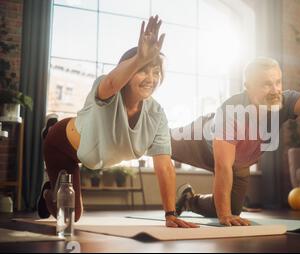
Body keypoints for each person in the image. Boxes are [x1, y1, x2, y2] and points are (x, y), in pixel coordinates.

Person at [171, 57, 300, 226]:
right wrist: (223, 215)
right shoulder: (231, 112)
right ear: (247, 86)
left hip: (239, 161)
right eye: (266, 84)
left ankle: (189, 201)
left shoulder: (283, 101)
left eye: (277, 82)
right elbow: (222, 167)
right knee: (156, 141)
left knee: (234, 210)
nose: (275, 90)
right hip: (198, 141)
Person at [38, 15, 198, 228]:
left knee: (73, 216)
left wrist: (170, 214)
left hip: (90, 155)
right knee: (71, 216)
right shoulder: (108, 90)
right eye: (142, 70)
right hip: (61, 143)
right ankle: (49, 191)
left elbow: (164, 164)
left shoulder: (157, 114)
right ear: (128, 71)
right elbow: (113, 81)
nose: (151, 78)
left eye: (156, 72)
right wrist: (139, 58)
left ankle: (54, 190)